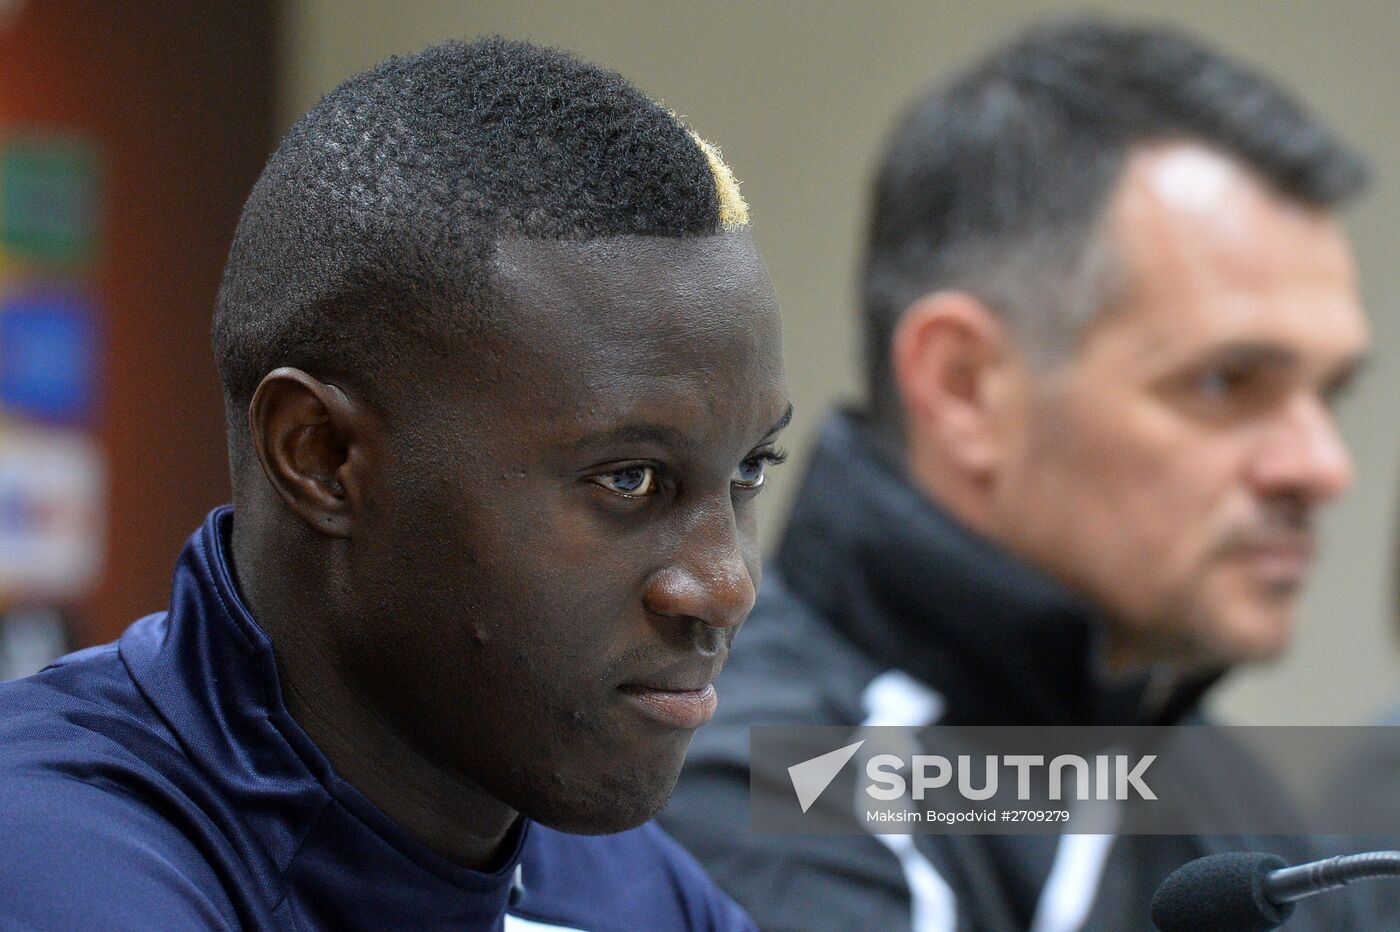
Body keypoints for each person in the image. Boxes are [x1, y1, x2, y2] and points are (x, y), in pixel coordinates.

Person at [0, 38, 791, 930]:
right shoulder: (51, 859)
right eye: (629, 479)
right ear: (322, 456)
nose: (727, 588)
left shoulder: (616, 881)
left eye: (749, 470)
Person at [661, 18, 1371, 931]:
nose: (1320, 466)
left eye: (1330, 394)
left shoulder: (1214, 791)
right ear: (965, 387)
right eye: (1227, 382)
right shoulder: (769, 779)